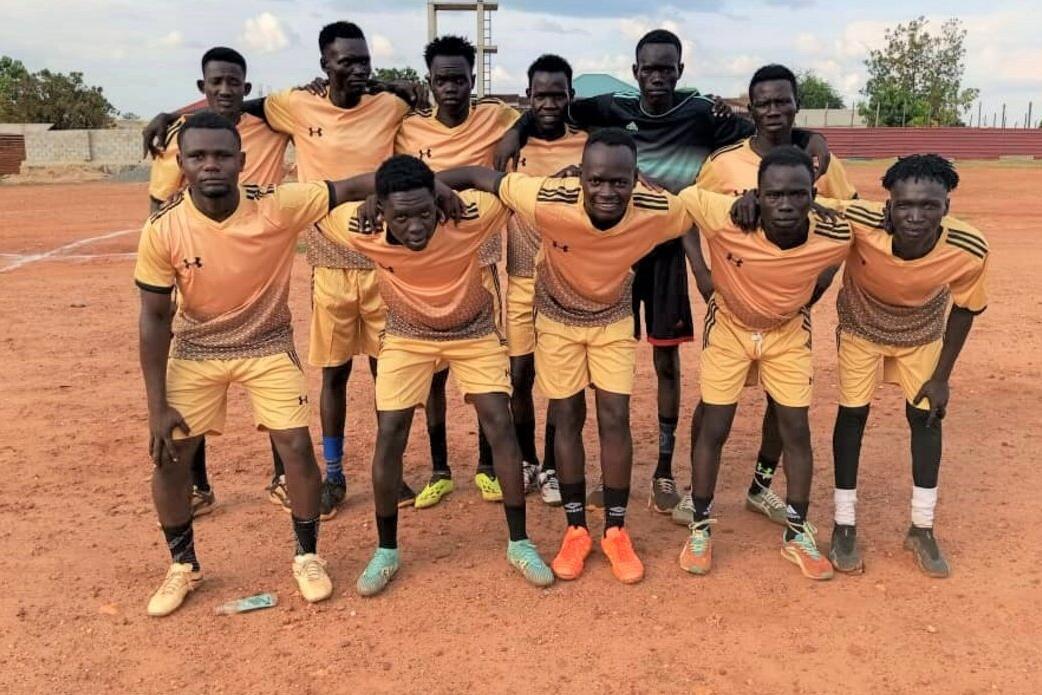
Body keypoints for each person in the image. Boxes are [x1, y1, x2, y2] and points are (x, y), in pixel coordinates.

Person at [496, 29, 830, 515]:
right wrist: (513, 132)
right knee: (604, 364)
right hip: (617, 249)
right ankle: (592, 471)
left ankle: (664, 472)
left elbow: (773, 130)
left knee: (666, 361)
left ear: (680, 70)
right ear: (635, 71)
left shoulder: (703, 114)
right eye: (649, 69)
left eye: (666, 68)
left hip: (668, 249)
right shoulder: (611, 107)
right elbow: (550, 109)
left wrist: (815, 139)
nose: (658, 77)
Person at [440, 129, 714, 584]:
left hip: (612, 317)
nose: (607, 192)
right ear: (580, 176)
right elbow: (477, 175)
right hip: (557, 318)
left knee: (615, 417)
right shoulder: (548, 198)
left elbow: (706, 208)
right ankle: (576, 530)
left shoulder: (657, 208)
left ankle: (616, 531)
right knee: (567, 416)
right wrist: (431, 187)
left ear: (635, 180)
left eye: (620, 182)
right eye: (596, 180)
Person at [135, 111, 356, 616]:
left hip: (266, 343)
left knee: (296, 447)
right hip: (197, 348)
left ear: (242, 161)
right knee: (170, 455)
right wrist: (156, 407)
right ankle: (183, 565)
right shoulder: (163, 228)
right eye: (198, 156)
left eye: (221, 155)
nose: (210, 165)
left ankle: (307, 555)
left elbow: (349, 187)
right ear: (181, 163)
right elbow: (153, 318)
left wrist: (426, 187)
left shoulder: (277, 205)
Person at [317, 155, 554, 595]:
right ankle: (386, 551)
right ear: (380, 210)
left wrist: (442, 187)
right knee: (391, 432)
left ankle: (520, 543)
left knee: (499, 424)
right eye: (401, 217)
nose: (415, 227)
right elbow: (321, 198)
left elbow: (495, 182)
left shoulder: (465, 216)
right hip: (407, 335)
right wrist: (376, 193)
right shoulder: (361, 227)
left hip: (473, 331)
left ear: (437, 204)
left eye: (425, 213)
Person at [673, 63, 858, 527]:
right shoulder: (723, 163)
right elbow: (688, 211)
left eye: (783, 101)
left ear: (797, 104)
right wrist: (701, 272)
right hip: (733, 306)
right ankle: (696, 494)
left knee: (784, 404)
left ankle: (760, 486)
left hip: (788, 309)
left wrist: (822, 279)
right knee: (714, 405)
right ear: (751, 109)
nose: (774, 110)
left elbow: (849, 223)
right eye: (764, 103)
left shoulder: (821, 163)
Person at [825, 154, 988, 577]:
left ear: (946, 207)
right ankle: (844, 522)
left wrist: (941, 378)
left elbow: (966, 308)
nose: (915, 217)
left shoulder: (969, 248)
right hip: (861, 328)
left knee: (926, 419)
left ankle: (922, 527)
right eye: (905, 206)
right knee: (852, 415)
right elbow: (806, 204)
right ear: (889, 207)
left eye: (929, 206)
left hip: (921, 334)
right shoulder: (860, 221)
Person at [144, 46, 291, 518]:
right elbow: (159, 204)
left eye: (233, 83)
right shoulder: (180, 138)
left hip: (260, 259)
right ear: (202, 88)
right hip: (203, 264)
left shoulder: (271, 125)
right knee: (194, 383)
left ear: (245, 87)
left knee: (275, 381)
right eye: (215, 83)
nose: (224, 90)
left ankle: (284, 478)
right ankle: (198, 483)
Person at [393, 35, 523, 509]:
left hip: (478, 259)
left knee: (484, 375)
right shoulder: (408, 129)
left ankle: (487, 467)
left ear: (473, 80)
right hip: (424, 265)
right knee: (434, 376)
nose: (451, 88)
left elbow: (540, 113)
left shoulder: (497, 117)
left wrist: (517, 133)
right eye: (441, 80)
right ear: (429, 81)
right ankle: (440, 469)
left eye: (460, 79)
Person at [505, 54, 588, 506]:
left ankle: (555, 465)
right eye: (541, 95)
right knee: (520, 375)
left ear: (571, 96)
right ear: (529, 96)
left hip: (565, 281)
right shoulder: (510, 146)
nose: (550, 103)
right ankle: (526, 459)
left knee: (562, 381)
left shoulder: (587, 144)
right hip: (521, 276)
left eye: (559, 94)